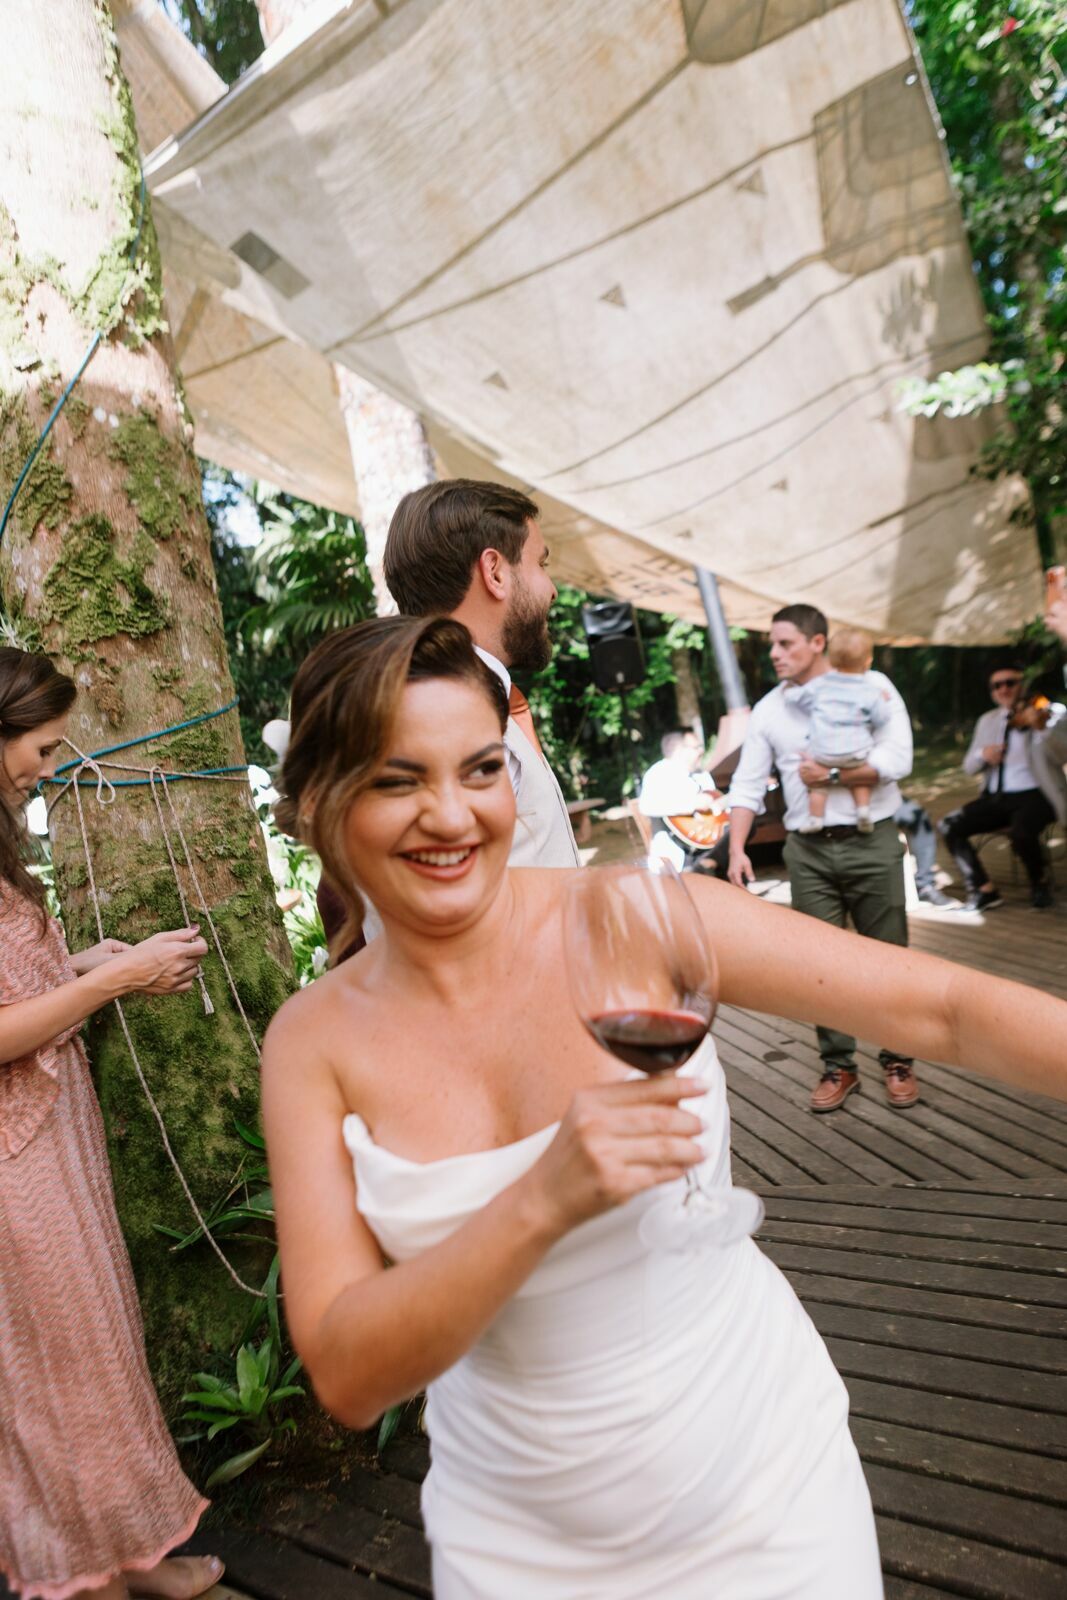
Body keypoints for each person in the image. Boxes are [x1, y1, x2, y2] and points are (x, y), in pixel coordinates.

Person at [262, 615, 1067, 1600]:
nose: (453, 815)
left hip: (761, 1486)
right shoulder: (310, 1042)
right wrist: (540, 1198)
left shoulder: (629, 915)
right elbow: (347, 1375)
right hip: (516, 1538)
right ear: (313, 801)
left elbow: (938, 1009)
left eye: (479, 770)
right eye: (397, 779)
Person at [0, 649, 222, 1600]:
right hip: (13, 1156)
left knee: (95, 1346)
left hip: (54, 1136)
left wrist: (88, 960)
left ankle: (129, 1552)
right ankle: (79, 1576)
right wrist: (117, 981)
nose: (48, 768)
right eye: (41, 748)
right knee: (51, 1377)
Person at [725, 605, 920, 1113]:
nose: (774, 653)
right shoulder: (769, 709)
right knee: (817, 963)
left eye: (785, 643)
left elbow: (899, 759)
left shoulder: (873, 685)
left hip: (872, 838)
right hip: (807, 850)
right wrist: (737, 849)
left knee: (889, 957)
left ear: (818, 643)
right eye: (772, 644)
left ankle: (899, 1058)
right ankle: (839, 1064)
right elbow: (747, 783)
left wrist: (832, 779)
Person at [938, 661, 1067, 911]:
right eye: (997, 685)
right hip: (998, 796)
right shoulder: (988, 720)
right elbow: (968, 767)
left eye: (1010, 682)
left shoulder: (1052, 712)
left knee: (1021, 831)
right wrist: (982, 756)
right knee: (949, 825)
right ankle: (983, 888)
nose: (1004, 689)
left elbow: (1063, 753)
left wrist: (1041, 728)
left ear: (1022, 684)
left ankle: (1039, 883)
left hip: (1038, 795)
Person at [795, 628, 891, 835]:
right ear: (868, 661)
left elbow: (801, 699)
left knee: (817, 785)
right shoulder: (871, 690)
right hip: (856, 753)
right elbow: (882, 719)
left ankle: (815, 819)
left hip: (823, 754)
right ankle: (863, 811)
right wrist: (882, 700)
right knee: (859, 779)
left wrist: (789, 693)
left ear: (831, 660)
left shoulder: (821, 684)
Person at [638, 728, 722, 872]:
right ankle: (701, 869)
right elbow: (647, 806)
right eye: (696, 747)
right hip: (678, 852)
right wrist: (692, 804)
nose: (701, 751)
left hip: (708, 842)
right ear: (678, 750)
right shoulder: (658, 773)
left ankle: (707, 866)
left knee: (739, 831)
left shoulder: (702, 774)